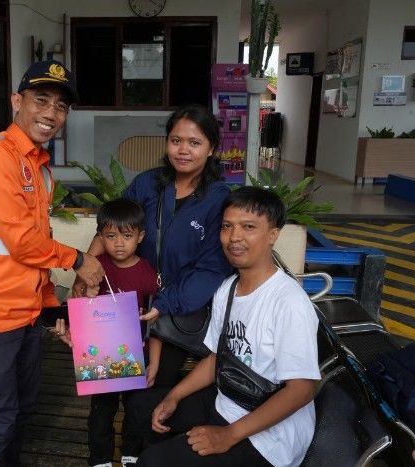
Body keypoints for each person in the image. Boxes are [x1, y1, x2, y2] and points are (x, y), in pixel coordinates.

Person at [0, 59, 104, 467]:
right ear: (17, 101)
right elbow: (21, 243)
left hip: (25, 313)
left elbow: (38, 250)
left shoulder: (40, 168)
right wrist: (80, 260)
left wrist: (51, 308)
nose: (52, 113)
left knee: (22, 410)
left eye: (61, 106)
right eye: (41, 100)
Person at [136, 186, 321, 467]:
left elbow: (302, 390)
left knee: (152, 462)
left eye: (249, 227)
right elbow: (216, 358)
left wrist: (228, 435)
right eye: (227, 226)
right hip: (229, 398)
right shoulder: (228, 289)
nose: (234, 237)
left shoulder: (289, 302)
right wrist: (174, 396)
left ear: (273, 234)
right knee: (143, 408)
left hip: (271, 439)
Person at [73, 103, 233, 392]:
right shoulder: (147, 183)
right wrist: (86, 270)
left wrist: (164, 303)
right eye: (176, 140)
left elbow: (211, 269)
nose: (183, 150)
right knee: (105, 380)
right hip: (126, 300)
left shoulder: (219, 200)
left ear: (211, 149)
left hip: (178, 310)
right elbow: (110, 228)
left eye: (194, 143)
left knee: (149, 390)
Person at [85, 198, 161, 467]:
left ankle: (131, 455)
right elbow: (84, 313)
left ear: (140, 236)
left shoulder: (147, 274)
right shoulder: (95, 269)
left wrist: (154, 361)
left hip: (137, 355)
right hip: (102, 357)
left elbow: (156, 324)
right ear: (100, 237)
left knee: (137, 410)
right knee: (101, 411)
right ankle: (100, 459)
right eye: (110, 236)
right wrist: (87, 295)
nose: (119, 243)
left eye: (127, 236)